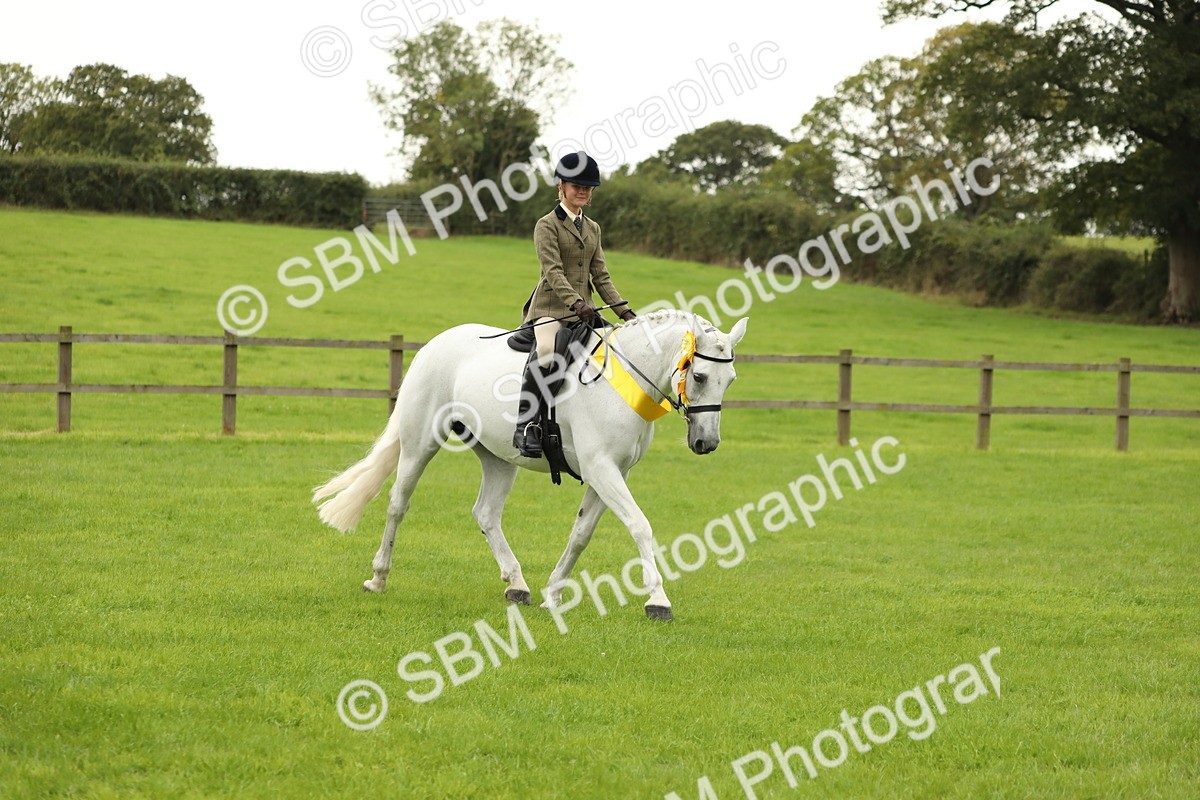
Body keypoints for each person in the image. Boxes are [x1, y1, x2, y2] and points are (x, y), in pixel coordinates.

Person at [512, 151, 637, 458]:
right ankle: (526, 425)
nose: (582, 191)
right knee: (546, 352)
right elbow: (552, 272)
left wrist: (626, 313)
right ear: (562, 187)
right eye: (576, 185)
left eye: (587, 187)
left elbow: (601, 276)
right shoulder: (547, 225)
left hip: (584, 312)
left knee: (619, 350)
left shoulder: (593, 228)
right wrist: (577, 303)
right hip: (551, 310)